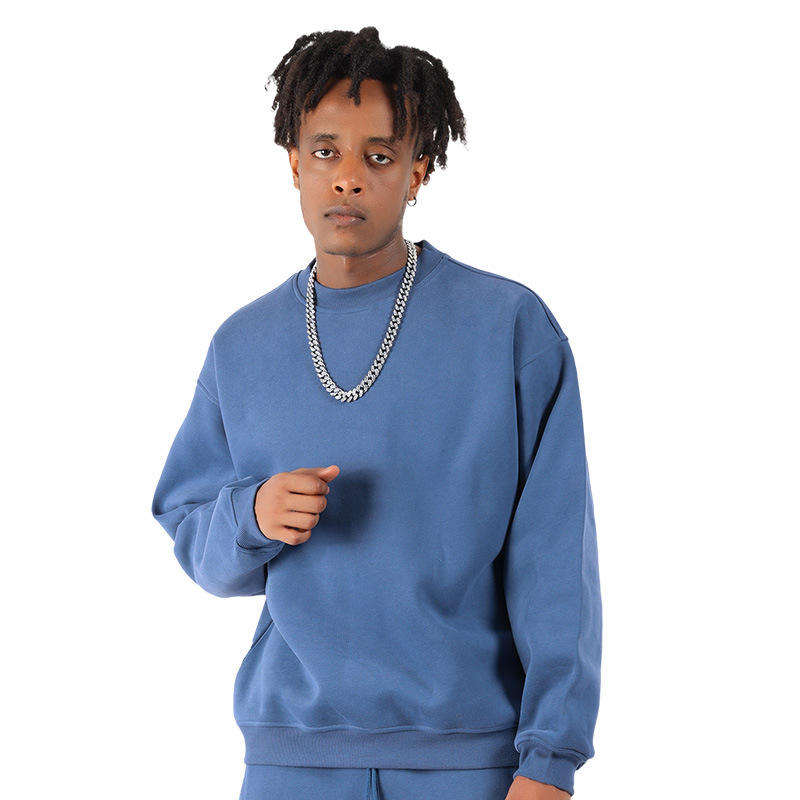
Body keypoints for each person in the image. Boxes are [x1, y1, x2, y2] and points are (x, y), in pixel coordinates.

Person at [151, 26, 601, 800]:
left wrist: (550, 760)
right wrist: (252, 514)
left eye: (380, 156)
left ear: (418, 169)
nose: (349, 179)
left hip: (470, 763)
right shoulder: (242, 345)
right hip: (291, 762)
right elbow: (192, 531)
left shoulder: (508, 329)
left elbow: (556, 561)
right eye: (326, 151)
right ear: (294, 163)